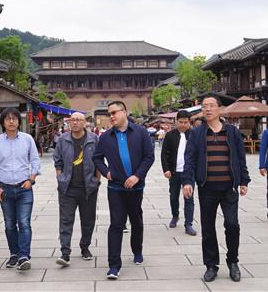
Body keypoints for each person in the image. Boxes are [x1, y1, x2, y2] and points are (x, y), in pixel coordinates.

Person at [182, 96, 250, 283]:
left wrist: (244, 180)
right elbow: (190, 159)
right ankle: (211, 265)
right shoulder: (197, 133)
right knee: (208, 228)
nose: (208, 109)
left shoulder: (232, 132)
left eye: (211, 106)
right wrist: (187, 181)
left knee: (232, 225)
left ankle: (233, 262)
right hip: (207, 188)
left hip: (229, 188)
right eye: (204, 106)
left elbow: (240, 157)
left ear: (219, 109)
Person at [92, 101, 154, 280]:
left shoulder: (140, 132)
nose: (111, 116)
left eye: (114, 112)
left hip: (136, 187)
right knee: (116, 224)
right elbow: (97, 158)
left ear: (125, 112)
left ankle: (137, 250)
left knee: (136, 220)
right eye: (109, 113)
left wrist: (137, 176)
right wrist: (106, 172)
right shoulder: (106, 137)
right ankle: (114, 265)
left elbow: (149, 156)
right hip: (116, 188)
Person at [0, 107, 41, 271]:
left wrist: (32, 179)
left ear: (19, 121)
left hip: (24, 187)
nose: (11, 121)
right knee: (10, 224)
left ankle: (24, 255)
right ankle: (14, 254)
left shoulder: (27, 139)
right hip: (5, 189)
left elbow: (35, 160)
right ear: (3, 122)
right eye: (8, 119)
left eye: (14, 118)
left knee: (24, 223)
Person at [54, 112, 100, 266]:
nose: (74, 123)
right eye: (72, 120)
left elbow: (99, 161)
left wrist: (96, 180)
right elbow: (58, 161)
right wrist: (60, 178)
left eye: (78, 120)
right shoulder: (63, 139)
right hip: (67, 188)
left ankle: (85, 247)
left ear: (85, 122)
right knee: (66, 220)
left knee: (88, 220)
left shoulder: (94, 139)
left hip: (88, 188)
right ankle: (65, 252)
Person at [161, 110, 196, 235]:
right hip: (174, 172)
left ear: (189, 122)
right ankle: (175, 216)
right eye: (181, 122)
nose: (183, 125)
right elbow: (164, 154)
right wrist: (166, 169)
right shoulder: (170, 135)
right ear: (176, 122)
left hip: (189, 172)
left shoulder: (194, 135)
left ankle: (188, 224)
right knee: (173, 196)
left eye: (186, 122)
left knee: (189, 198)